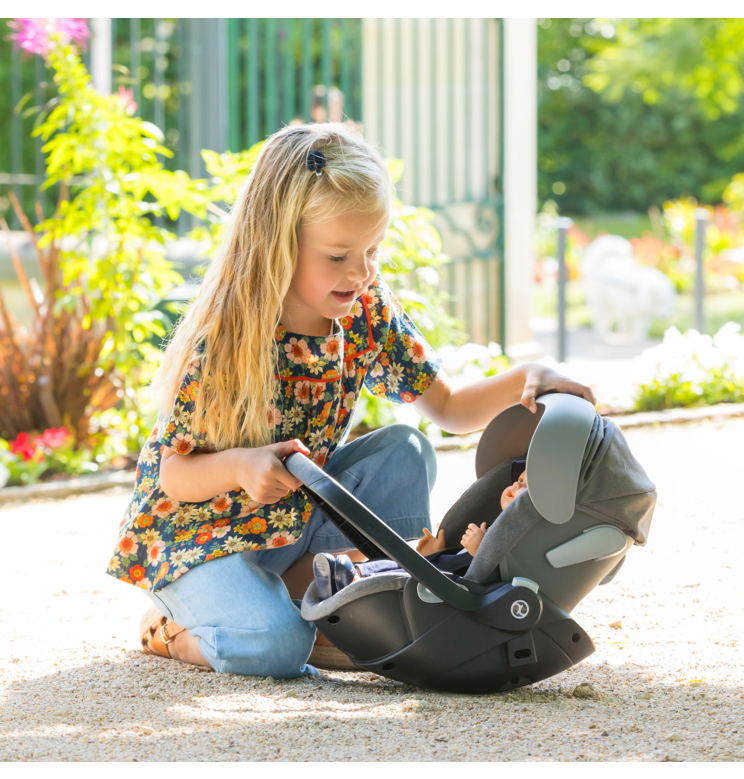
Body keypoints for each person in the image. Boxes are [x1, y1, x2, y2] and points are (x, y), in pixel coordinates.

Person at [107, 121, 595, 679]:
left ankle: (311, 598)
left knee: (405, 448)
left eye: (373, 251)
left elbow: (449, 407)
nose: (361, 273)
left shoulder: (365, 309)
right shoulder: (228, 336)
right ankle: (173, 628)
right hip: (197, 540)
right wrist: (242, 465)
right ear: (278, 244)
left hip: (287, 523)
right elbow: (173, 476)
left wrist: (527, 377)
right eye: (338, 256)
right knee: (276, 652)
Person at [312, 470, 529, 600]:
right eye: (518, 478)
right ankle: (349, 574)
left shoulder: (521, 535)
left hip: (453, 584)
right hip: (442, 568)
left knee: (402, 575)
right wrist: (438, 553)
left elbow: (497, 572)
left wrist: (480, 551)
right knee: (400, 563)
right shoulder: (497, 525)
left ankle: (354, 578)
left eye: (525, 486)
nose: (516, 484)